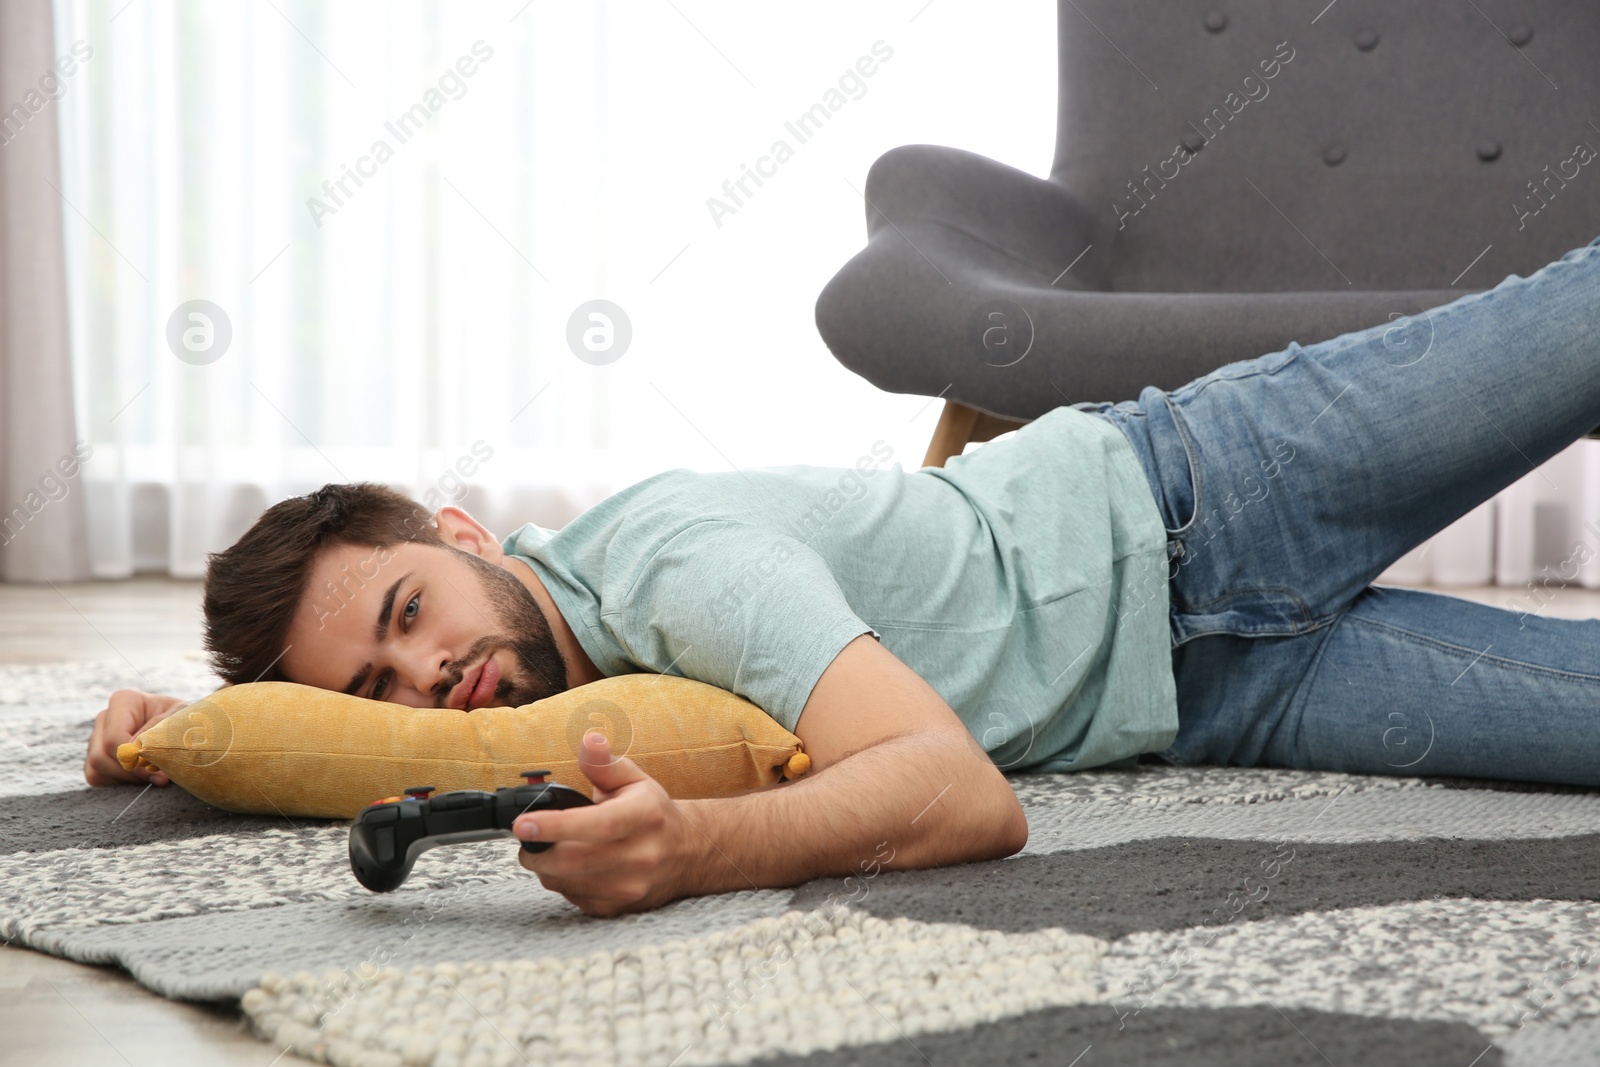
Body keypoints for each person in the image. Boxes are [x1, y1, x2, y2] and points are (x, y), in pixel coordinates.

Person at [84, 234, 1600, 916]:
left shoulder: (670, 562)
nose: (427, 683)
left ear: (467, 542)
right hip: (1210, 695)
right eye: (378, 689)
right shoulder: (569, 689)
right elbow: (320, 745)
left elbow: (959, 795)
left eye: (410, 616)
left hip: (1214, 488)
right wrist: (171, 735)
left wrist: (693, 855)